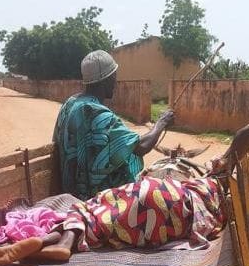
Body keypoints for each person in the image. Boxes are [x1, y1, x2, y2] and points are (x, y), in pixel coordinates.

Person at [0, 125, 249, 266]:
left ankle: (56, 240)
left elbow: (246, 133)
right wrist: (227, 159)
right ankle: (57, 245)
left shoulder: (184, 180)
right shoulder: (214, 191)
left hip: (153, 192)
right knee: (105, 225)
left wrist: (227, 156)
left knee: (93, 214)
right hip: (177, 219)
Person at [52, 50, 175, 200]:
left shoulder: (70, 103)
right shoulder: (98, 114)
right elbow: (141, 146)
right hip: (95, 200)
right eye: (114, 77)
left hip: (69, 191)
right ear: (106, 79)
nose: (115, 83)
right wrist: (162, 122)